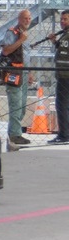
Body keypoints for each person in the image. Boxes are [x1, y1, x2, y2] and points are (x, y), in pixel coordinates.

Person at [0, 9, 32, 148]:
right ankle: (14, 134)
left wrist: (29, 72)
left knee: (22, 105)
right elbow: (6, 50)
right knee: (16, 105)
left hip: (23, 72)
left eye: (29, 18)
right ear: (19, 19)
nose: (28, 20)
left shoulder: (24, 34)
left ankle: (15, 133)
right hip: (14, 72)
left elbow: (25, 54)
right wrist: (21, 40)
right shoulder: (12, 33)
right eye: (25, 18)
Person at [46, 10, 69, 145]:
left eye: (65, 19)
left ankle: (64, 135)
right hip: (62, 74)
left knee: (61, 105)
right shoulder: (64, 35)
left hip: (66, 75)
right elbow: (63, 51)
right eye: (61, 19)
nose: (62, 22)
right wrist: (55, 42)